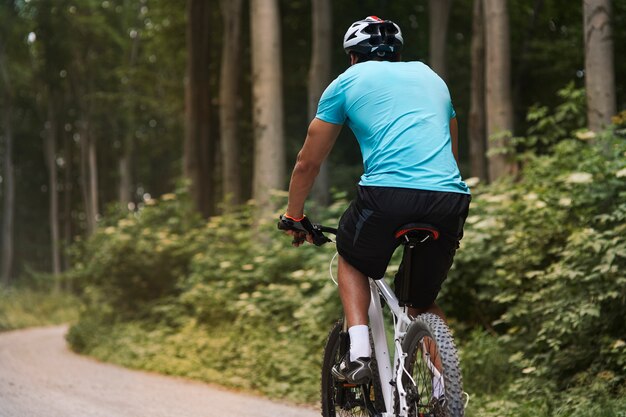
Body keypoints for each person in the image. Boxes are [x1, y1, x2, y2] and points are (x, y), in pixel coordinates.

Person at [279, 16, 470, 385]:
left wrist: (294, 215)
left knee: (351, 256)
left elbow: (307, 163)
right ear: (397, 55)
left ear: (352, 57)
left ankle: (360, 355)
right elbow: (451, 150)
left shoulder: (346, 82)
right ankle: (447, 393)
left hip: (387, 195)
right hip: (449, 197)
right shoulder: (432, 78)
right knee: (420, 301)